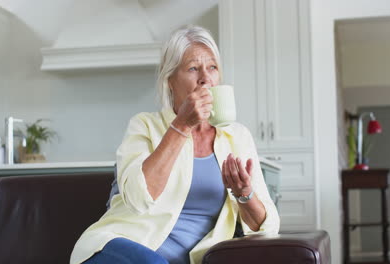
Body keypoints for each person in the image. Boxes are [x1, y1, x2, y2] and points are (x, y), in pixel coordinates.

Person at [70, 25, 280, 264]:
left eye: (212, 67)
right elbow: (138, 199)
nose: (205, 78)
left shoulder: (237, 137)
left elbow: (267, 227)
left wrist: (244, 194)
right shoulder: (144, 126)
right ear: (170, 80)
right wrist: (181, 126)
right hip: (119, 248)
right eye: (193, 68)